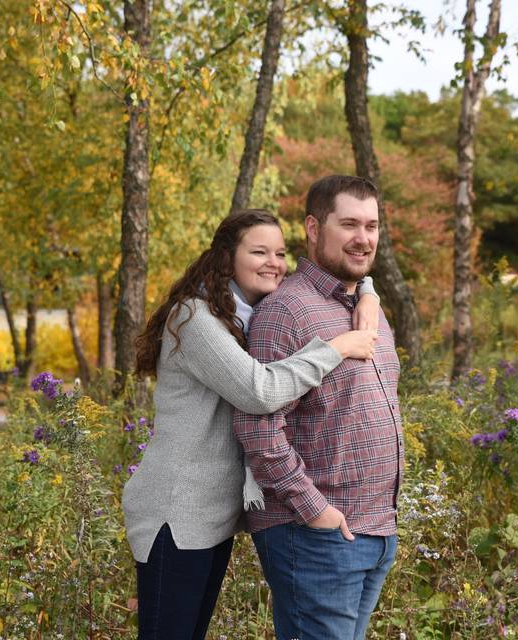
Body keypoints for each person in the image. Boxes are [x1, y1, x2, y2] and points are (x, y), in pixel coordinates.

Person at [122, 209, 382, 640]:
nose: (274, 263)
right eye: (258, 251)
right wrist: (336, 348)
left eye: (280, 252)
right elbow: (259, 391)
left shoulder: (244, 314)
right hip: (177, 511)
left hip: (212, 515)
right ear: (227, 258)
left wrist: (368, 291)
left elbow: (339, 273)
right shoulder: (195, 318)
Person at [233, 176, 404, 640]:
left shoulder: (368, 308)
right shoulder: (285, 312)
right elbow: (257, 425)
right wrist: (315, 511)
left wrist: (368, 290)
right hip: (313, 534)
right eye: (348, 224)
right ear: (313, 227)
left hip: (373, 530)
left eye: (371, 225)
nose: (363, 237)